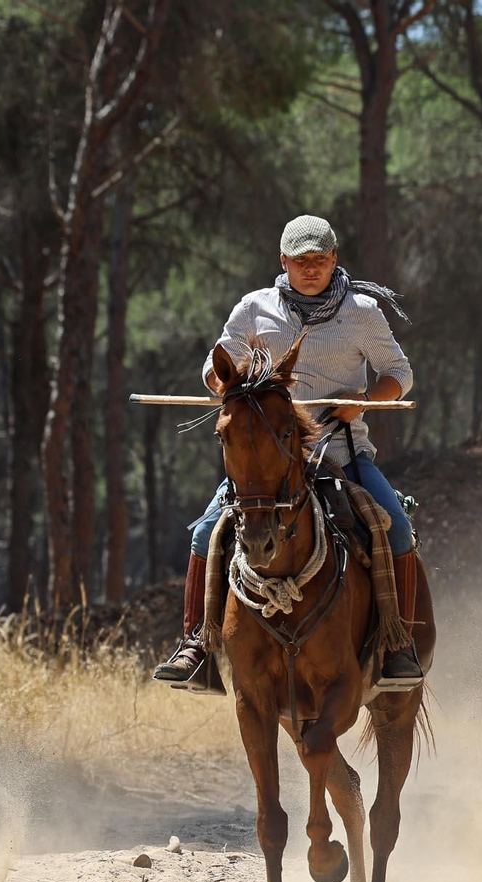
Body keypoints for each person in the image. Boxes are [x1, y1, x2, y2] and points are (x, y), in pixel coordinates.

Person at [153, 214, 424, 687]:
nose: (312, 269)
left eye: (320, 260)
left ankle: (397, 645)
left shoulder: (361, 311)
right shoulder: (254, 308)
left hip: (341, 452)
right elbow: (214, 364)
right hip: (268, 462)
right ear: (283, 262)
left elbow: (400, 374)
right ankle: (196, 644)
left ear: (335, 258)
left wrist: (361, 400)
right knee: (204, 536)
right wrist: (228, 387)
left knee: (395, 528)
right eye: (302, 262)